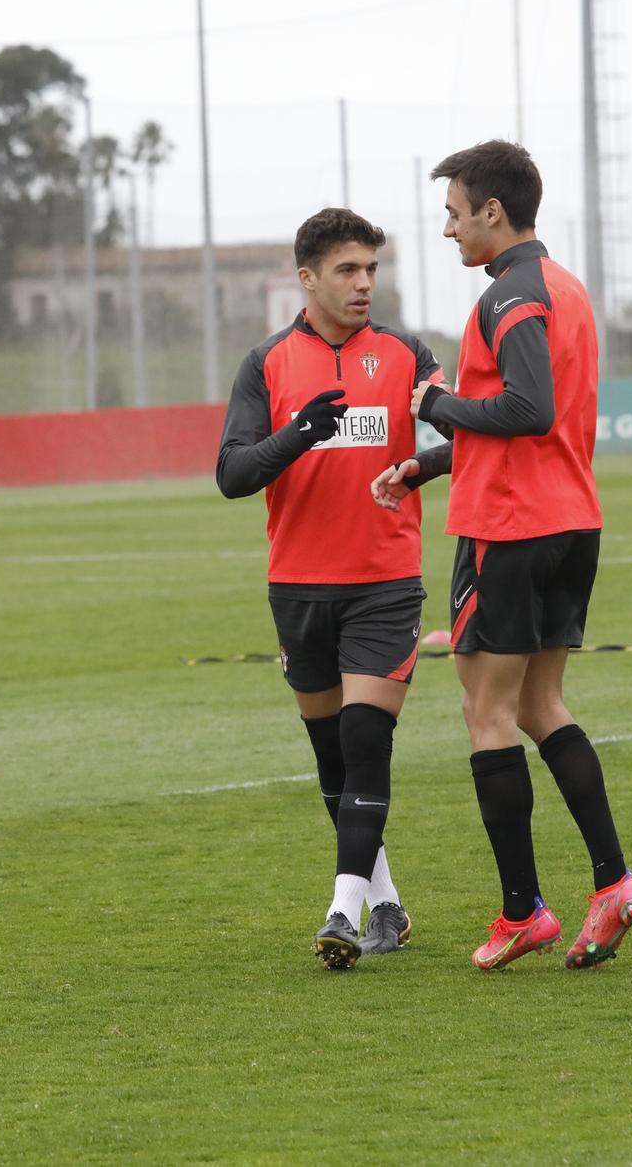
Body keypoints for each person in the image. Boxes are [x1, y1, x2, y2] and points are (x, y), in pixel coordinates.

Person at [372, 140, 632, 971]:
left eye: (455, 213)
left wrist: (435, 403)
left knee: (486, 715)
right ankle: (614, 883)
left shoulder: (510, 297)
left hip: (510, 530)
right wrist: (428, 458)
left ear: (494, 212)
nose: (448, 228)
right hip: (569, 521)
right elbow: (531, 422)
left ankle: (523, 909)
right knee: (539, 706)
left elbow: (526, 408)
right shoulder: (563, 288)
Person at [217, 207, 445, 969]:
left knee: (364, 739)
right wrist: (299, 435)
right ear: (307, 277)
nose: (364, 283)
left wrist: (422, 464)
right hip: (298, 587)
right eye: (348, 269)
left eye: (372, 268)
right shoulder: (267, 363)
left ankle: (342, 912)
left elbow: (467, 432)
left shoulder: (406, 353)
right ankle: (386, 902)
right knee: (332, 758)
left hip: (384, 583)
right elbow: (233, 474)